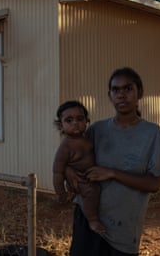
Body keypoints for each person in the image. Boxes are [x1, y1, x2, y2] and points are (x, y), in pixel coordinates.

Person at [67, 67, 160, 256]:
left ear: (139, 93)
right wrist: (70, 175)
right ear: (109, 95)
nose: (121, 95)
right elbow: (71, 160)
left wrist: (112, 173)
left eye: (128, 89)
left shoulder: (152, 134)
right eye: (115, 90)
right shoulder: (96, 130)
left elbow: (154, 184)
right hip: (87, 219)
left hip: (123, 226)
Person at [52, 100, 106, 234]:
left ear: (87, 121)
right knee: (91, 192)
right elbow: (57, 171)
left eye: (80, 119)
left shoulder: (88, 138)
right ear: (61, 125)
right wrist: (60, 192)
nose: (75, 123)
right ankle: (93, 220)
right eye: (69, 120)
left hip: (92, 174)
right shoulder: (65, 147)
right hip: (81, 180)